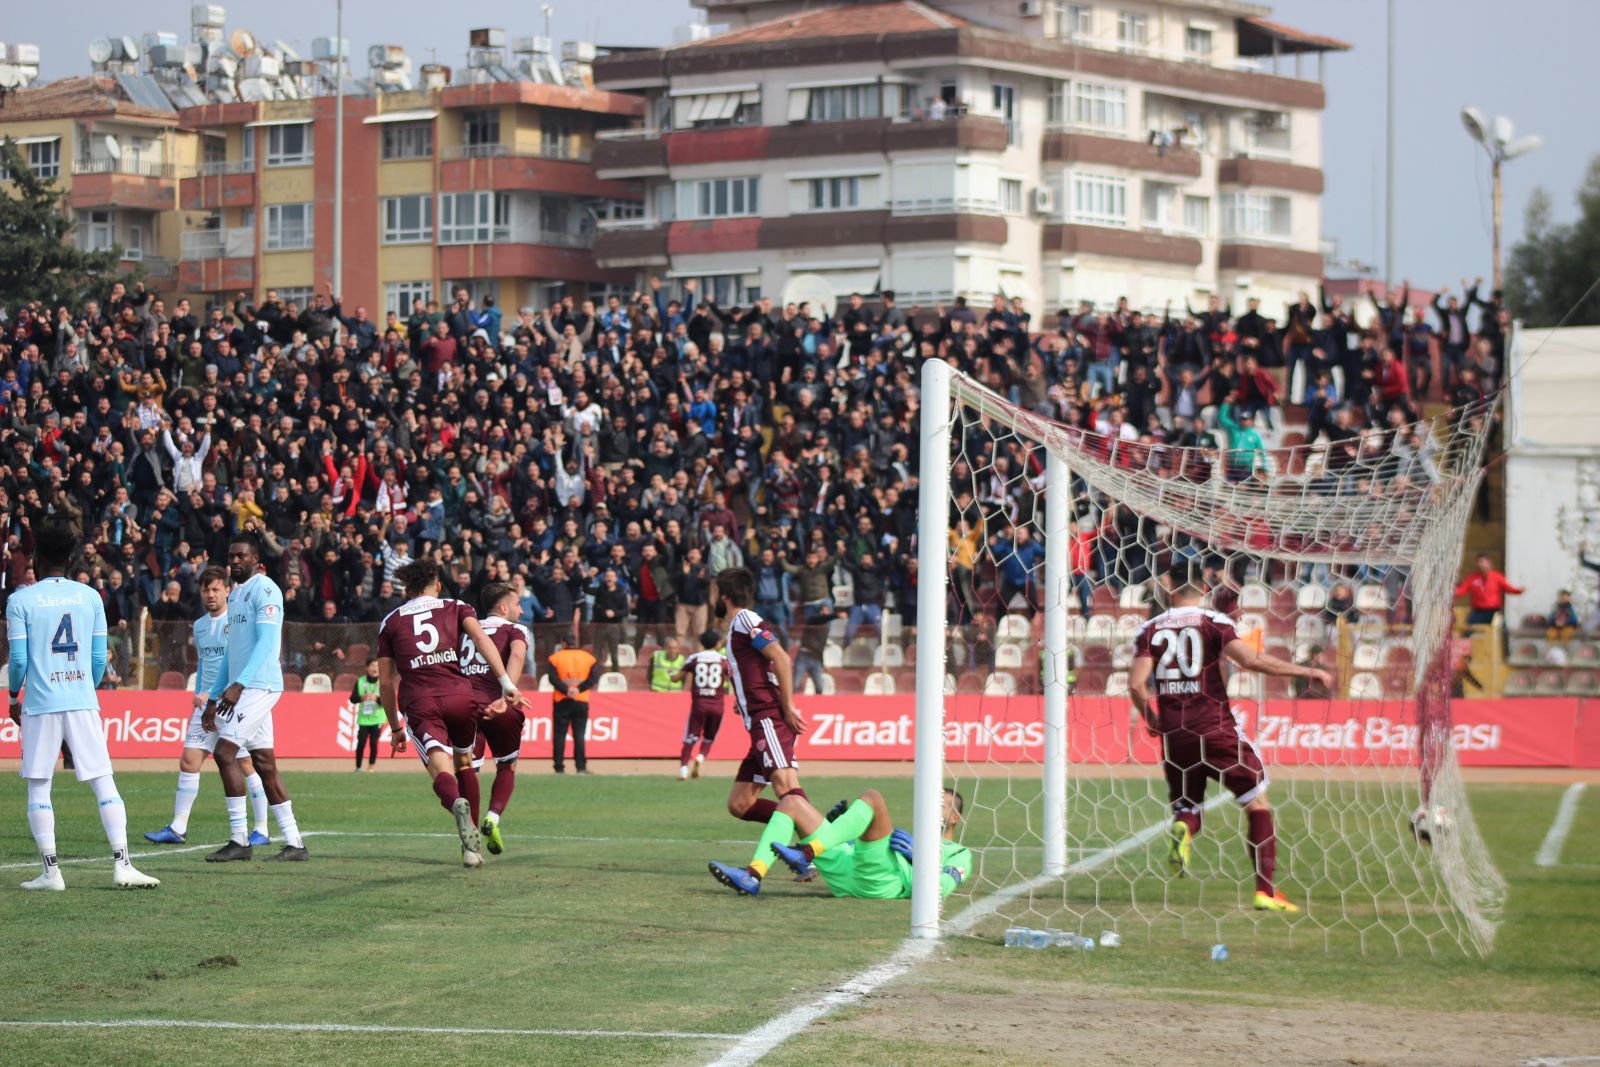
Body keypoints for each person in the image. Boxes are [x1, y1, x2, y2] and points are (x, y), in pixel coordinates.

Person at [1127, 574, 1332, 914]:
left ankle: (1184, 827)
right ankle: (1265, 890)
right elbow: (1250, 660)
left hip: (1175, 734)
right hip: (1215, 726)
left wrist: (1152, 722)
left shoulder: (1149, 629)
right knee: (1257, 802)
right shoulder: (1213, 622)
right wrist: (1306, 673)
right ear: (1204, 590)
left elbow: (1135, 685)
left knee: (1188, 806)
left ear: (1168, 590)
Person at [7, 520, 160, 891]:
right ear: (72, 556)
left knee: (39, 787)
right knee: (103, 782)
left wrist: (14, 697)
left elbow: (18, 661)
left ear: (36, 558)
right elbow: (97, 658)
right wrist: (84, 690)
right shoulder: (90, 596)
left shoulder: (20, 600)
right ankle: (123, 864)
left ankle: (51, 873)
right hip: (81, 700)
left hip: (41, 704)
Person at [377, 559, 524, 868]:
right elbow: (482, 641)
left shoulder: (391, 621)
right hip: (461, 696)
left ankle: (457, 805)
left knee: (440, 769)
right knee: (466, 762)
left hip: (421, 701)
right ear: (438, 585)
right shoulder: (457, 606)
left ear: (407, 588)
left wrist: (394, 727)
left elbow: (387, 682)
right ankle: (473, 851)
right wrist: (506, 683)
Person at [202, 533, 309, 863]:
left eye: (241, 556)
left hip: (259, 686)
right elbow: (230, 655)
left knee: (224, 753)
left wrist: (239, 686)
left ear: (255, 559)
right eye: (231, 555)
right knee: (264, 763)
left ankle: (239, 840)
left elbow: (266, 645)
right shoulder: (234, 596)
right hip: (242, 686)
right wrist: (212, 697)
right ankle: (295, 843)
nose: (234, 561)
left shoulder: (265, 590)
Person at [144, 567, 271, 845]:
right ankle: (178, 827)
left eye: (216, 589)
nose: (211, 594)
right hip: (206, 704)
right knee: (189, 760)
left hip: (235, 702)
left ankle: (261, 828)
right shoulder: (200, 625)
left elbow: (242, 661)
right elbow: (204, 664)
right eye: (206, 589)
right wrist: (201, 693)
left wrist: (228, 692)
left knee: (247, 763)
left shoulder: (237, 623)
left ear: (228, 590)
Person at [709, 787, 970, 901]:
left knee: (873, 798)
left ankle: (807, 855)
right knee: (790, 803)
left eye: (941, 805)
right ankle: (752, 875)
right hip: (848, 868)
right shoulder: (907, 838)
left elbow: (943, 887)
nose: (931, 807)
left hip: (881, 884)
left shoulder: (959, 853)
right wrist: (840, 831)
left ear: (955, 817)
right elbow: (864, 852)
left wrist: (922, 862)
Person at [712, 567, 811, 830]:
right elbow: (759, 666)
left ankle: (823, 843)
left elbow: (780, 656)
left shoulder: (744, 619)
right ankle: (809, 830)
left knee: (786, 786)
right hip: (757, 717)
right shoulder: (736, 627)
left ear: (724, 596)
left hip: (769, 715)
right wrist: (741, 698)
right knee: (740, 802)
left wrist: (787, 706)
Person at [455, 583, 530, 855]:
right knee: (507, 766)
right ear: (503, 607)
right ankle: (493, 816)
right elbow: (518, 654)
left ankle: (469, 847)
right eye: (518, 604)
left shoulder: (464, 629)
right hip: (498, 703)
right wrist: (506, 693)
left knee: (467, 771)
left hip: (462, 706)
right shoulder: (515, 629)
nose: (521, 610)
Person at [672, 630, 729, 781]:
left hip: (699, 704)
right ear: (717, 644)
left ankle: (683, 769)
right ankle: (701, 757)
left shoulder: (694, 658)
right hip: (717, 705)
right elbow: (735, 678)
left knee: (690, 737)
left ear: (702, 643)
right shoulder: (724, 660)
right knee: (709, 737)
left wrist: (672, 674)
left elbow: (677, 679)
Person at [547, 637, 599, 774]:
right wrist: (578, 689)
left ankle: (559, 767)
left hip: (561, 700)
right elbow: (593, 679)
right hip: (581, 700)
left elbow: (553, 679)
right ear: (577, 643)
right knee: (579, 735)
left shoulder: (555, 658)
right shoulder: (589, 658)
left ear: (563, 643)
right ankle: (581, 766)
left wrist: (566, 690)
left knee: (559, 734)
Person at [1453, 554, 1523, 629]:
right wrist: (1450, 592)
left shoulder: (1497, 577)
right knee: (1469, 627)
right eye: (1479, 562)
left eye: (1482, 562)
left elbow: (1508, 588)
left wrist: (1519, 591)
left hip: (1494, 611)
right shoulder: (1472, 578)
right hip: (1478, 611)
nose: (1480, 564)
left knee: (1502, 629)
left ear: (1489, 563)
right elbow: (1462, 590)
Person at [349, 658, 385, 772]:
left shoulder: (384, 682)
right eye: (373, 666)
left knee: (373, 743)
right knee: (361, 743)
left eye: (378, 666)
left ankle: (371, 767)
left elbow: (389, 701)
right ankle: (358, 767)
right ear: (367, 668)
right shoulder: (360, 681)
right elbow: (352, 699)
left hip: (377, 718)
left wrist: (378, 699)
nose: (375, 668)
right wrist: (361, 698)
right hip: (363, 718)